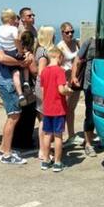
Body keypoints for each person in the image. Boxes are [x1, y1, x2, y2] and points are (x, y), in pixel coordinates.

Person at [0, 33, 35, 164]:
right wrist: (21, 62)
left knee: (12, 117)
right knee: (13, 117)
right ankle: (7, 154)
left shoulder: (8, 43)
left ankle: (3, 148)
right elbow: (1, 58)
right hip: (8, 84)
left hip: (6, 83)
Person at [40, 47, 73, 172]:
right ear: (59, 57)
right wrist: (68, 91)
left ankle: (45, 160)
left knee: (47, 134)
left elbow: (43, 90)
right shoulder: (60, 71)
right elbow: (61, 90)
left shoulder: (44, 71)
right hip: (58, 108)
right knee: (58, 135)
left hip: (47, 108)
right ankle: (57, 162)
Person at [0, 8, 31, 105]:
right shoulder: (13, 29)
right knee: (25, 62)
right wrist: (20, 51)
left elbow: (0, 40)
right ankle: (26, 82)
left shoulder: (0, 28)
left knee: (15, 73)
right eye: (14, 18)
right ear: (11, 19)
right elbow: (16, 40)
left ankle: (20, 94)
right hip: (14, 52)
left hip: (6, 52)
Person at [71, 36, 98, 157]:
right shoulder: (90, 41)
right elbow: (77, 59)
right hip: (90, 84)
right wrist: (73, 77)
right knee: (90, 114)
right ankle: (88, 144)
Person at [57, 22, 82, 146]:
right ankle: (58, 137)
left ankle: (71, 135)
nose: (70, 34)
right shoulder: (60, 46)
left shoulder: (77, 42)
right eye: (67, 32)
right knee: (62, 109)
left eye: (72, 31)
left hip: (76, 79)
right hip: (66, 81)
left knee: (71, 109)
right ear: (62, 33)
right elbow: (57, 64)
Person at [34, 26, 55, 164]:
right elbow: (42, 73)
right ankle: (42, 150)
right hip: (44, 88)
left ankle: (44, 149)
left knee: (44, 119)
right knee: (44, 120)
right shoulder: (43, 51)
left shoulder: (40, 50)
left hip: (43, 87)